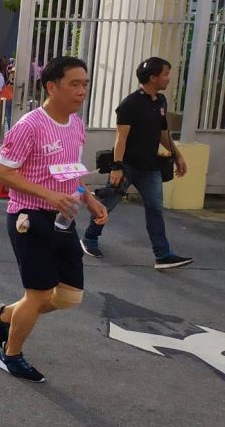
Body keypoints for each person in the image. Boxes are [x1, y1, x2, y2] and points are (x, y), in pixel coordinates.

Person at [0, 56, 108, 383]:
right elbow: (3, 173)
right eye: (74, 84)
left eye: (85, 84)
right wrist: (49, 195)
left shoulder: (76, 124)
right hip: (29, 216)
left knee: (69, 296)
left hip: (63, 218)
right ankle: (10, 355)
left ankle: (3, 316)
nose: (82, 90)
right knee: (39, 295)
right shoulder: (30, 125)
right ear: (52, 87)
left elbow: (70, 172)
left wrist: (88, 197)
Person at [81, 57, 193, 270]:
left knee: (155, 209)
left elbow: (163, 134)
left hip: (150, 168)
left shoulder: (160, 101)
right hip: (127, 167)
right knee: (107, 204)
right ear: (153, 77)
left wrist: (177, 155)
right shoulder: (130, 104)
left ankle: (162, 255)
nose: (168, 78)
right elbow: (121, 137)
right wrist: (117, 166)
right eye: (165, 74)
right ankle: (90, 238)